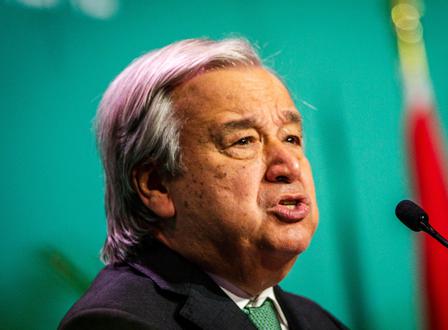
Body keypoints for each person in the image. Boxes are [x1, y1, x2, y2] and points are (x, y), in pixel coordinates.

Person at [59, 38, 347, 330]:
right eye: (244, 140)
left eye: (291, 138)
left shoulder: (318, 321)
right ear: (157, 185)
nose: (290, 166)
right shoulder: (117, 322)